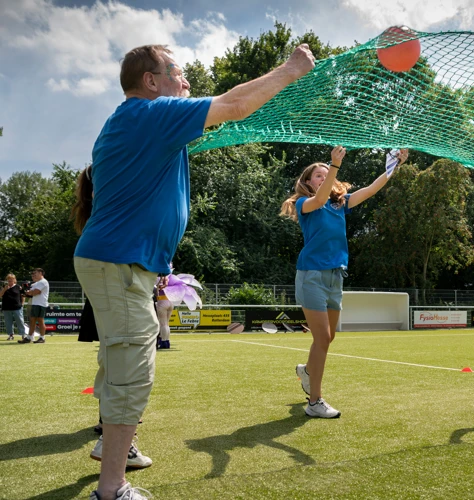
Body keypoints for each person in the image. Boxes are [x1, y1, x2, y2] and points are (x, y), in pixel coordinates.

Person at [70, 43, 314, 500]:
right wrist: (291, 69)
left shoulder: (140, 121)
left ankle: (111, 445)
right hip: (118, 265)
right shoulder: (152, 113)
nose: (186, 83)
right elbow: (236, 103)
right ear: (151, 81)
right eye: (178, 73)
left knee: (117, 364)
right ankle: (112, 489)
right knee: (131, 371)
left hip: (121, 262)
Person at [280, 146, 408, 418]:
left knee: (328, 338)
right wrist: (334, 166)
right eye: (318, 174)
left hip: (336, 276)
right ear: (307, 182)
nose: (323, 176)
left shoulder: (340, 204)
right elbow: (320, 197)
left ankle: (307, 371)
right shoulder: (305, 204)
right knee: (323, 338)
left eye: (326, 173)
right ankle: (314, 402)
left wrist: (394, 164)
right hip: (311, 277)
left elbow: (372, 188)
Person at [19, 268, 49, 344]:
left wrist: (28, 292)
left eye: (35, 273)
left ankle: (42, 338)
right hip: (35, 303)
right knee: (32, 320)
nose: (34, 274)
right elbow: (29, 293)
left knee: (40, 320)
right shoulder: (37, 283)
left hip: (40, 304)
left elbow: (36, 292)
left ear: (40, 273)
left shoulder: (43, 282)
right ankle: (29, 337)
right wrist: (24, 291)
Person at [1, 273, 25, 341]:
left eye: (11, 280)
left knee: (20, 321)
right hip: (6, 308)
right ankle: (10, 335)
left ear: (14, 280)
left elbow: (23, 295)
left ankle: (23, 334)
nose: (10, 282)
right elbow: (0, 295)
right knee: (8, 322)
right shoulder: (4, 287)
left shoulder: (18, 287)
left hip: (17, 307)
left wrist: (22, 304)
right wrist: (4, 289)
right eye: (8, 280)